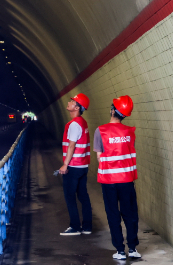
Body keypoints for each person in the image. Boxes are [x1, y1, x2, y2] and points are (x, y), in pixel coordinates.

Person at [94, 95, 141, 260]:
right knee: (130, 214)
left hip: (109, 181)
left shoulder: (100, 131)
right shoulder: (130, 132)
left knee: (113, 214)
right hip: (127, 181)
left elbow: (99, 157)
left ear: (112, 111)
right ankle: (133, 248)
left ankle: (120, 251)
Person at [58, 93, 93, 236]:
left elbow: (71, 146)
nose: (69, 102)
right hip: (83, 166)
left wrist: (65, 165)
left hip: (73, 166)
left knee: (70, 196)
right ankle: (87, 227)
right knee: (83, 196)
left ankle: (75, 227)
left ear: (77, 107)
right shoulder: (82, 122)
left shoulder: (74, 125)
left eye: (72, 101)